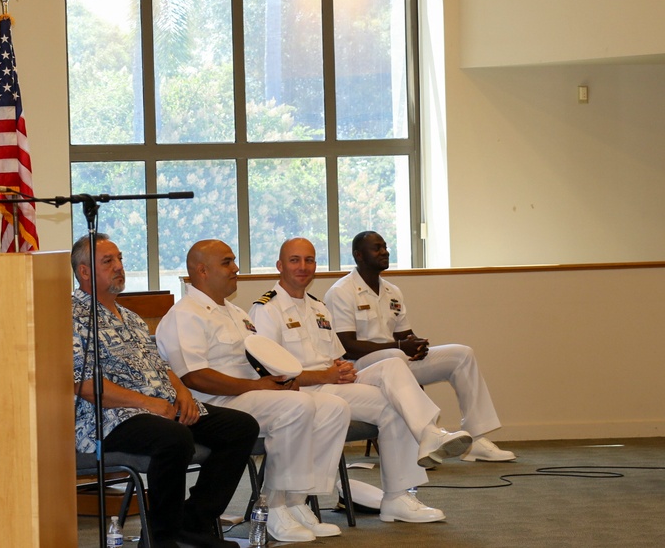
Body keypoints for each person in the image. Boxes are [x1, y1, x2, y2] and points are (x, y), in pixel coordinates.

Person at [249, 237, 474, 523]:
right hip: (302, 393)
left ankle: (398, 494)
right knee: (393, 399)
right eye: (295, 260)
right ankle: (428, 434)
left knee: (393, 376)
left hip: (332, 385)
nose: (303, 267)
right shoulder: (266, 309)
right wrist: (327, 374)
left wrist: (342, 369)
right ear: (280, 265)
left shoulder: (318, 308)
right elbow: (274, 376)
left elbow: (334, 356)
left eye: (309, 260)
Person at [71, 233, 259, 548]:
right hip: (109, 417)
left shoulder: (130, 317)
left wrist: (182, 393)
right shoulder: (72, 316)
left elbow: (160, 366)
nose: (119, 267)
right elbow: (86, 385)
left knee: (239, 427)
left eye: (120, 259)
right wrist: (149, 403)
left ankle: (192, 522)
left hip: (159, 406)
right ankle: (161, 538)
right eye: (108, 262)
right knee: (174, 438)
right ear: (84, 272)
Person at [156, 239, 349, 544]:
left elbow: (257, 359)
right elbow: (194, 376)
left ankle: (296, 501)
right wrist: (258, 385)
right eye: (227, 262)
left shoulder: (235, 312)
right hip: (215, 404)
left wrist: (278, 378)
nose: (235, 269)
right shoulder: (186, 313)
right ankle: (272, 507)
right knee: (295, 406)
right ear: (202, 271)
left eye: (233, 261)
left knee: (333, 407)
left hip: (251, 394)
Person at [325, 231, 515, 463]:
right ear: (358, 255)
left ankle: (475, 439)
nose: (384, 251)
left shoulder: (392, 291)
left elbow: (404, 334)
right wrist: (400, 346)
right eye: (377, 248)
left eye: (385, 246)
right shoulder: (341, 292)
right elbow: (346, 346)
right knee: (395, 354)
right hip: (361, 369)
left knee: (461, 354)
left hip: (398, 363)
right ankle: (425, 438)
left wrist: (417, 345)